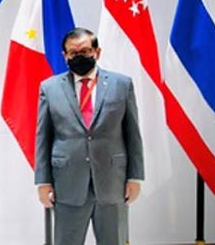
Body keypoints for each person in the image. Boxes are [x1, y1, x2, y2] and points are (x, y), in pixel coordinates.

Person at [35, 28, 144, 245]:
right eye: (73, 53)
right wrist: (43, 181)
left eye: (85, 51)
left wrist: (135, 177)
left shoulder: (122, 85)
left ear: (97, 52)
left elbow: (132, 134)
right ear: (65, 56)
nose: (79, 56)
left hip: (113, 182)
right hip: (67, 183)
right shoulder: (50, 88)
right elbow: (43, 137)